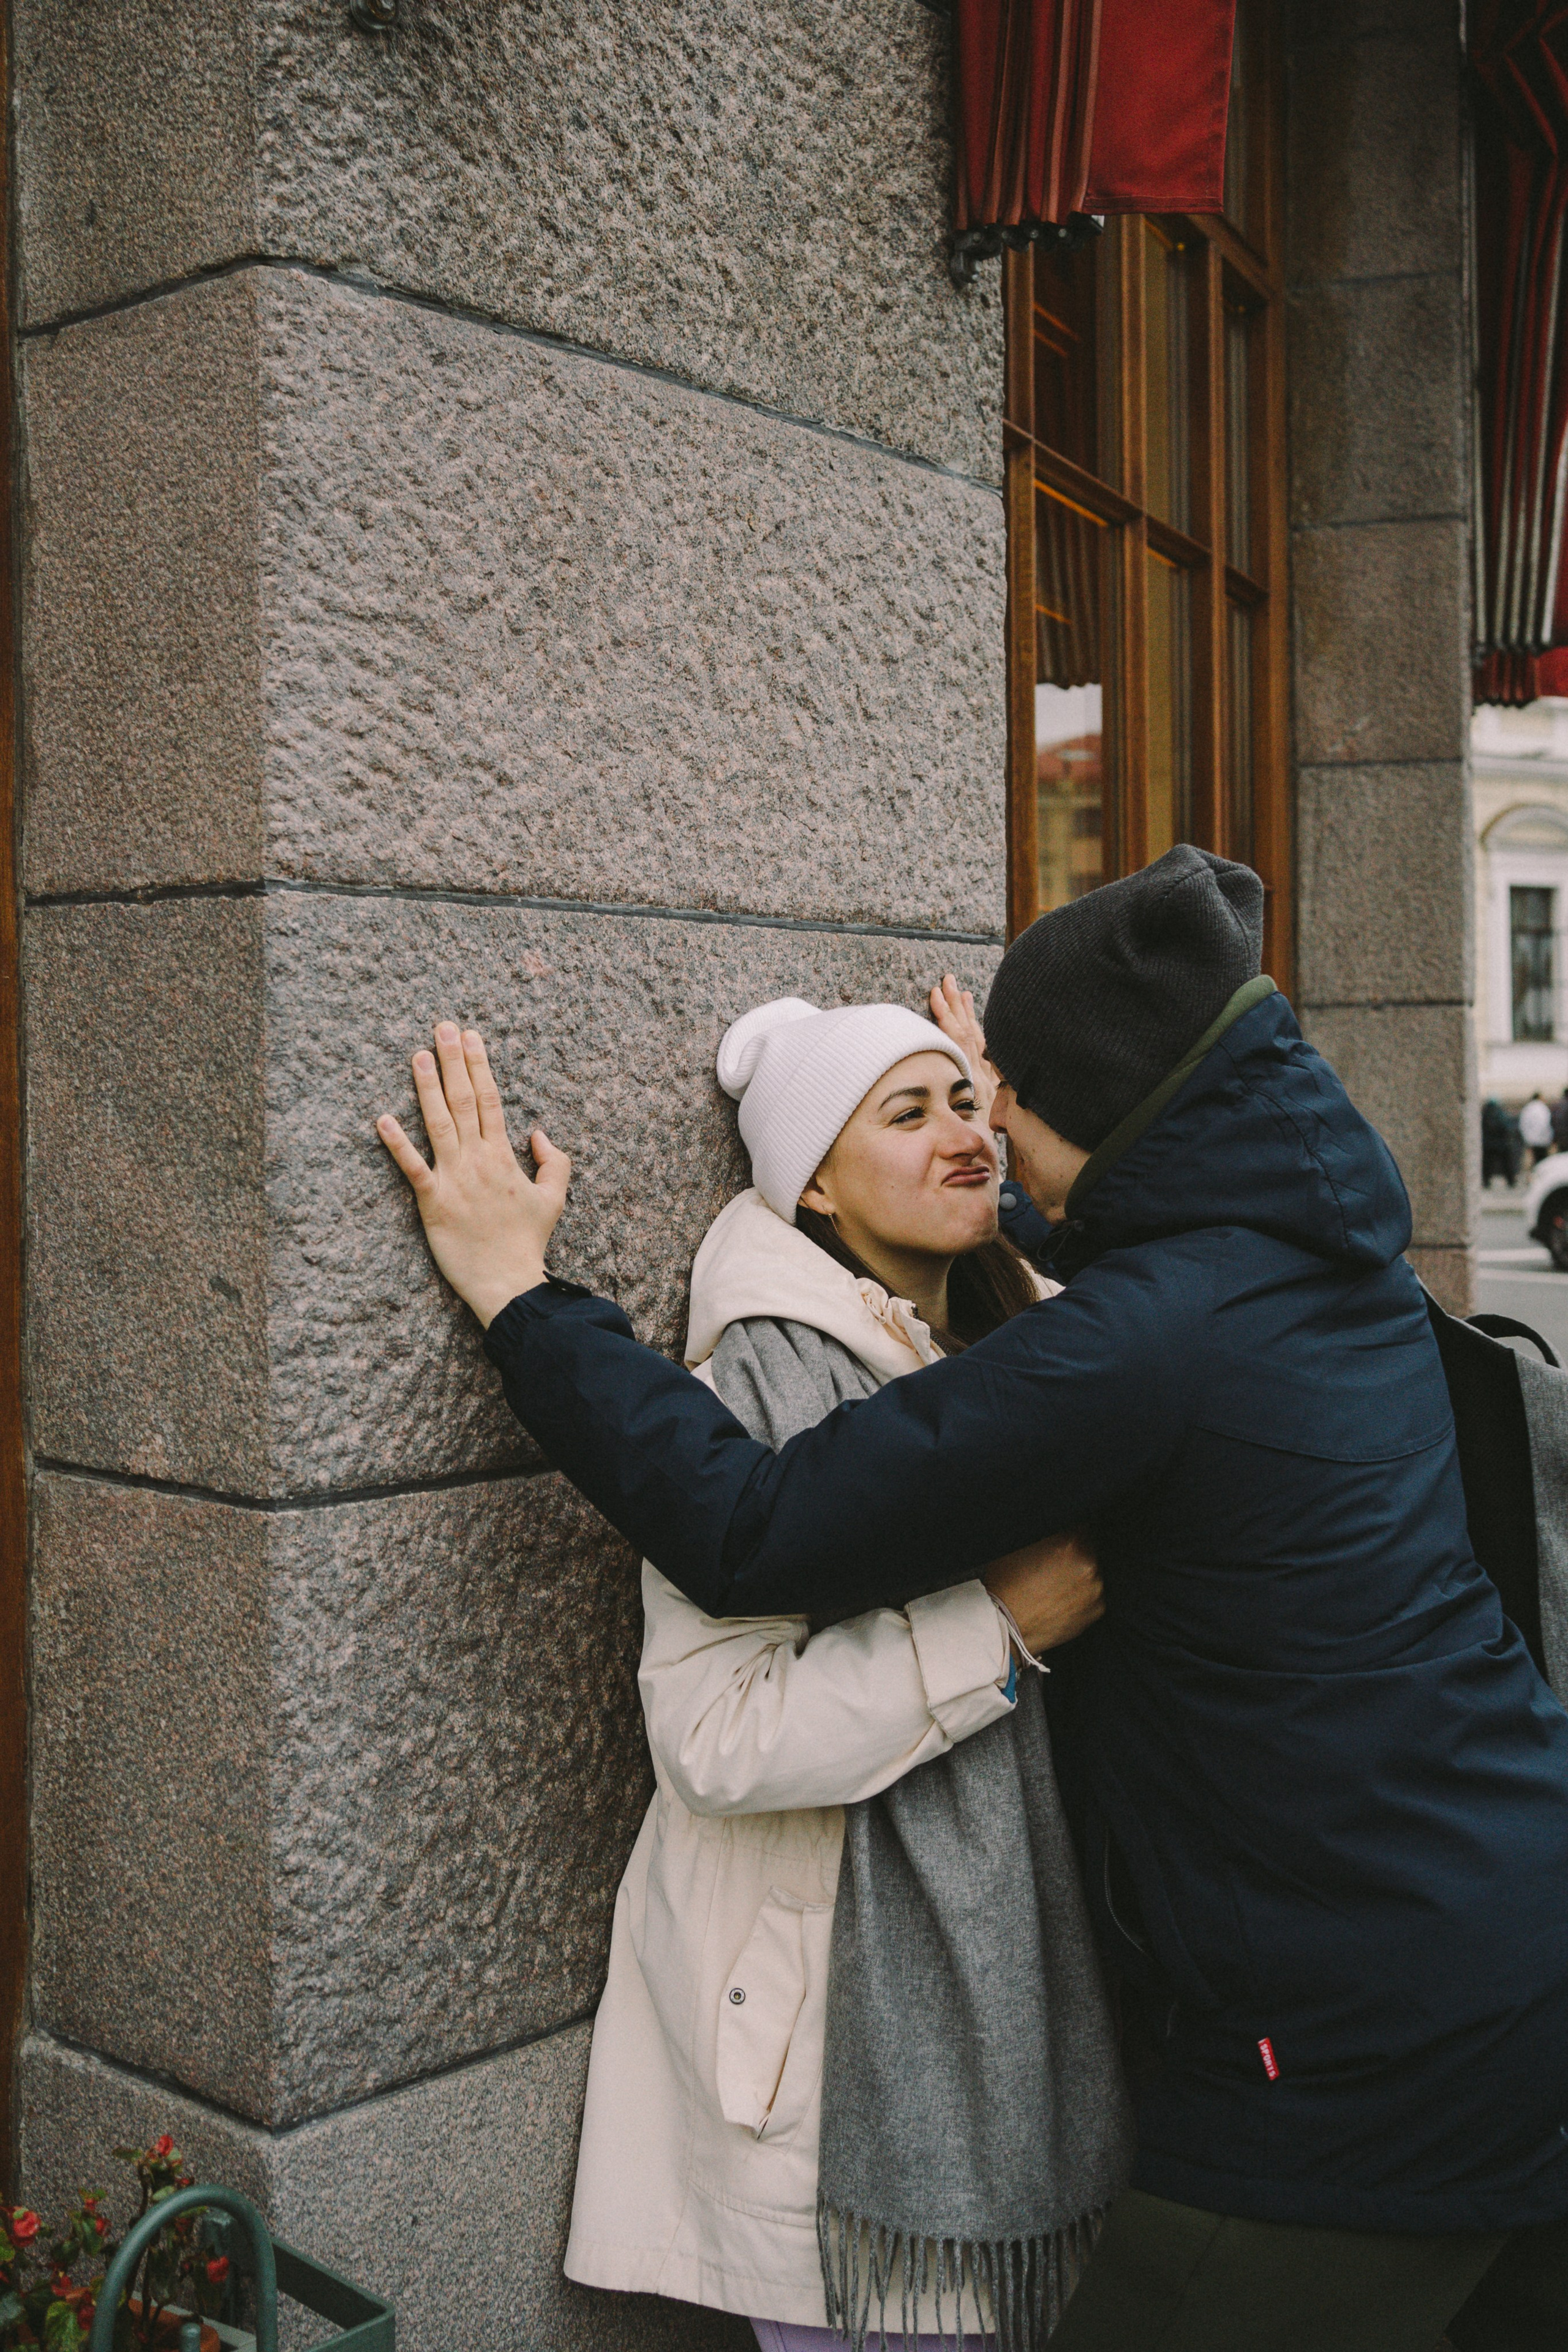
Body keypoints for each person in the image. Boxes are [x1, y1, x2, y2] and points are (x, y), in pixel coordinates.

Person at [376, 845, 1568, 2352]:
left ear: (1100, 1109)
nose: (979, 1125)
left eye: (997, 1098)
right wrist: (1031, 1142)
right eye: (930, 1106)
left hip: (1355, 2043)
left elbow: (753, 1521)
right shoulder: (1321, 1260)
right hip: (1512, 1930)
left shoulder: (1141, 1342)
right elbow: (1138, 1263)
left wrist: (521, 1297)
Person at [561, 997, 1131, 2351]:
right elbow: (715, 1735)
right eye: (906, 1114)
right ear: (811, 1182)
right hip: (827, 2059)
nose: (963, 1135)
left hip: (1027, 2009)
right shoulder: (759, 1387)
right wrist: (998, 1629)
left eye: (968, 1105)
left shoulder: (1022, 1353)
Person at [1520, 1089, 1554, 1166]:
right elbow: (1545, 1124)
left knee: (1534, 1161)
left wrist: (1526, 1138)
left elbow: (1523, 1125)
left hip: (1531, 1140)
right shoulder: (1543, 1108)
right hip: (1542, 1140)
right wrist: (1549, 1138)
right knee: (1543, 1162)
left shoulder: (1527, 1109)